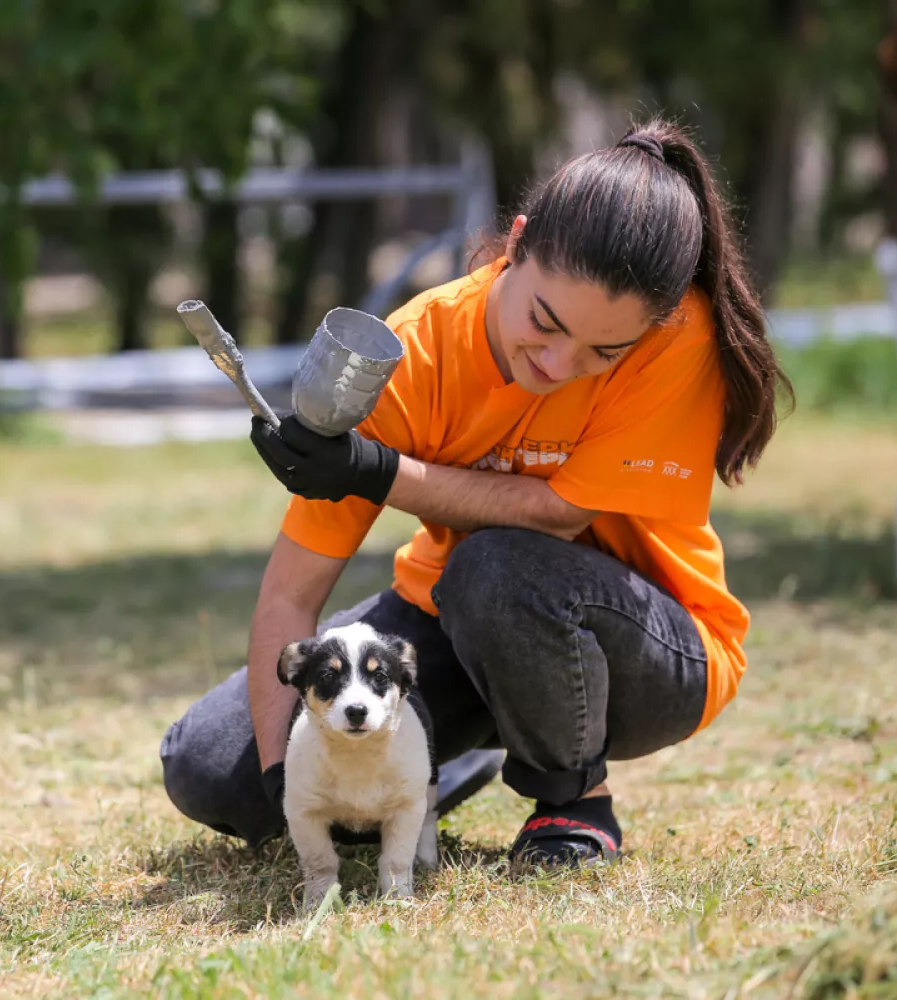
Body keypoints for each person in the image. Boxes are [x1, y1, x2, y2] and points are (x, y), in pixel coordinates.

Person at [159, 117, 791, 867]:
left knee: (496, 566)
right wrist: (278, 779)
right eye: (544, 322)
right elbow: (292, 598)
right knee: (208, 766)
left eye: (603, 352)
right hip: (459, 624)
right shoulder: (413, 350)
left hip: (654, 652)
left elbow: (562, 515)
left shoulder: (679, 335)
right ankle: (434, 771)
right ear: (515, 244)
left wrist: (375, 472)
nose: (559, 363)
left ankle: (572, 802)